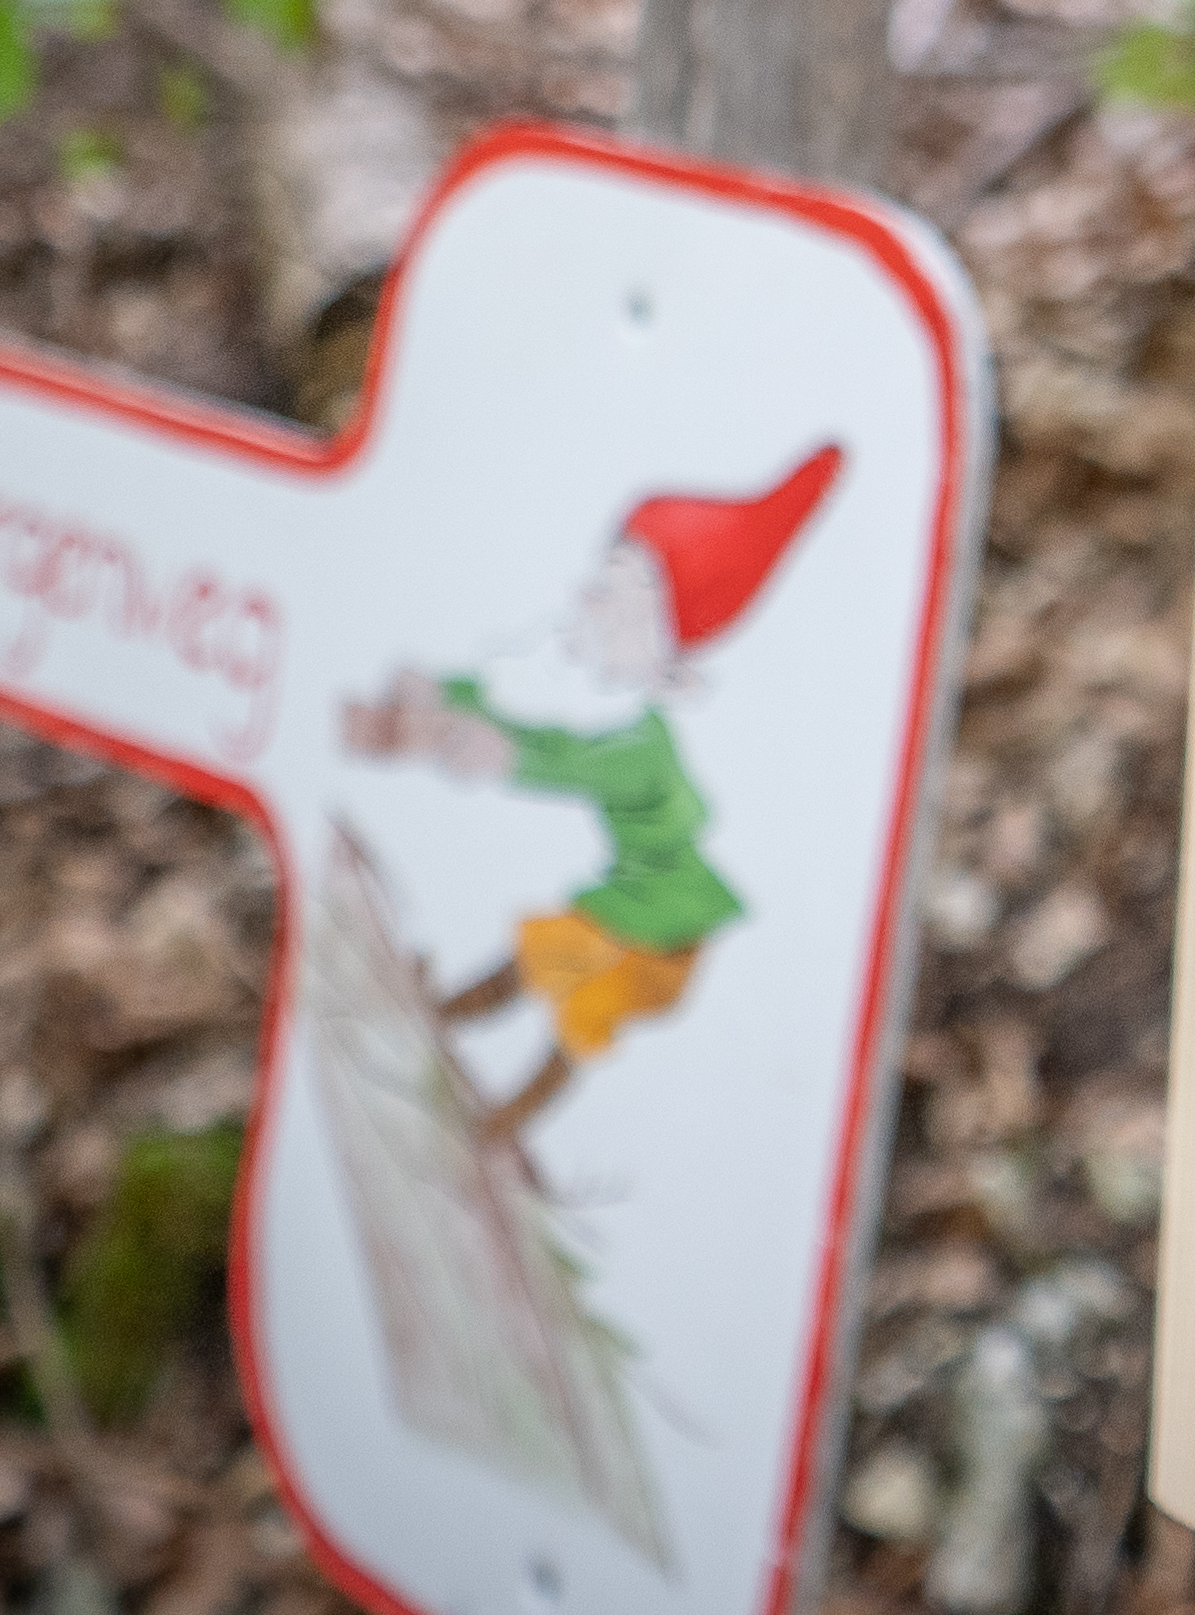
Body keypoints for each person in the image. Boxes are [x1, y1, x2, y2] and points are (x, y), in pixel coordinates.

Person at [340, 443, 840, 1145]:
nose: (586, 604)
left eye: (613, 594)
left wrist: (503, 756)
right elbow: (523, 710)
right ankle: (436, 1020)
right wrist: (446, 698)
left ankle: (501, 1118)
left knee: (574, 1000)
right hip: (631, 901)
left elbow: (573, 762)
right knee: (542, 959)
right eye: (596, 583)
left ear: (667, 655)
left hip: (663, 924)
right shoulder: (590, 693)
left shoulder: (642, 742)